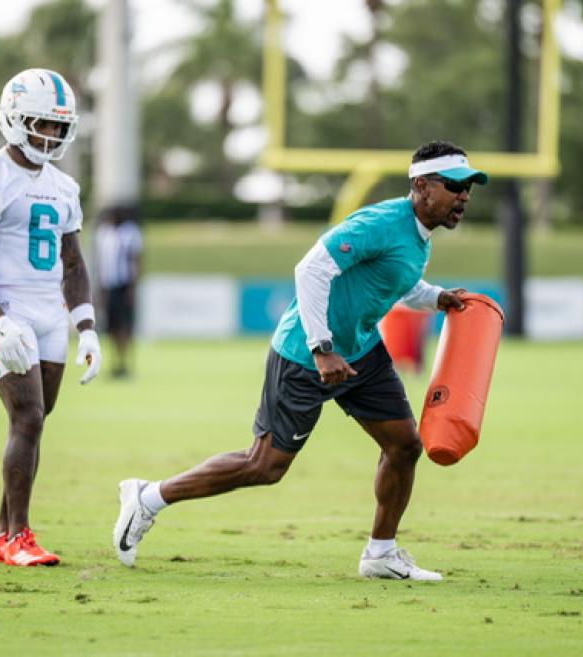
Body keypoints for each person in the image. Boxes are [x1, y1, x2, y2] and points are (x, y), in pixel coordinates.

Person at [112, 140, 488, 581]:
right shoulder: (382, 221)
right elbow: (310, 269)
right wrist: (322, 347)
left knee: (404, 445)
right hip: (307, 354)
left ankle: (380, 553)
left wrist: (435, 297)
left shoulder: (419, 236)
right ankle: (149, 497)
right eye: (455, 185)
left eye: (468, 187)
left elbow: (396, 280)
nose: (464, 196)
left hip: (361, 352)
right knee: (265, 465)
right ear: (422, 186)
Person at [0, 68, 102, 567]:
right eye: (42, 123)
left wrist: (86, 327)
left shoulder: (63, 185)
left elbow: (73, 262)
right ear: (14, 119)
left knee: (36, 421)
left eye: (59, 126)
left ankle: (1, 535)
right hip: (6, 307)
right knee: (28, 417)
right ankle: (19, 538)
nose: (51, 135)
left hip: (47, 311)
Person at [95, 205, 143, 378]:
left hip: (124, 284)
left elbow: (136, 260)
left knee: (125, 326)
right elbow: (101, 263)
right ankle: (114, 362)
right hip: (109, 285)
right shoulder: (104, 233)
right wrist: (100, 287)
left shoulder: (131, 232)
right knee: (112, 326)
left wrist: (133, 287)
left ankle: (125, 362)